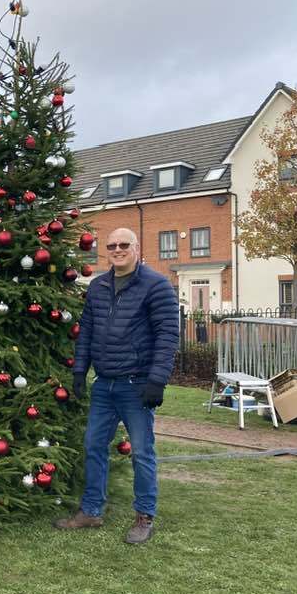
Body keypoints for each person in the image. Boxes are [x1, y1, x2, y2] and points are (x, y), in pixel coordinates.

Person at [54, 228, 179, 545]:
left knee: (141, 452)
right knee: (93, 446)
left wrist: (157, 381)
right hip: (104, 386)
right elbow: (87, 332)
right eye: (112, 246)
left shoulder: (156, 286)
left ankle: (144, 516)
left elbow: (167, 336)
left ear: (136, 248)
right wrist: (81, 371)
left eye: (124, 245)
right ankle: (92, 510)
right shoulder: (98, 286)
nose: (118, 249)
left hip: (137, 386)